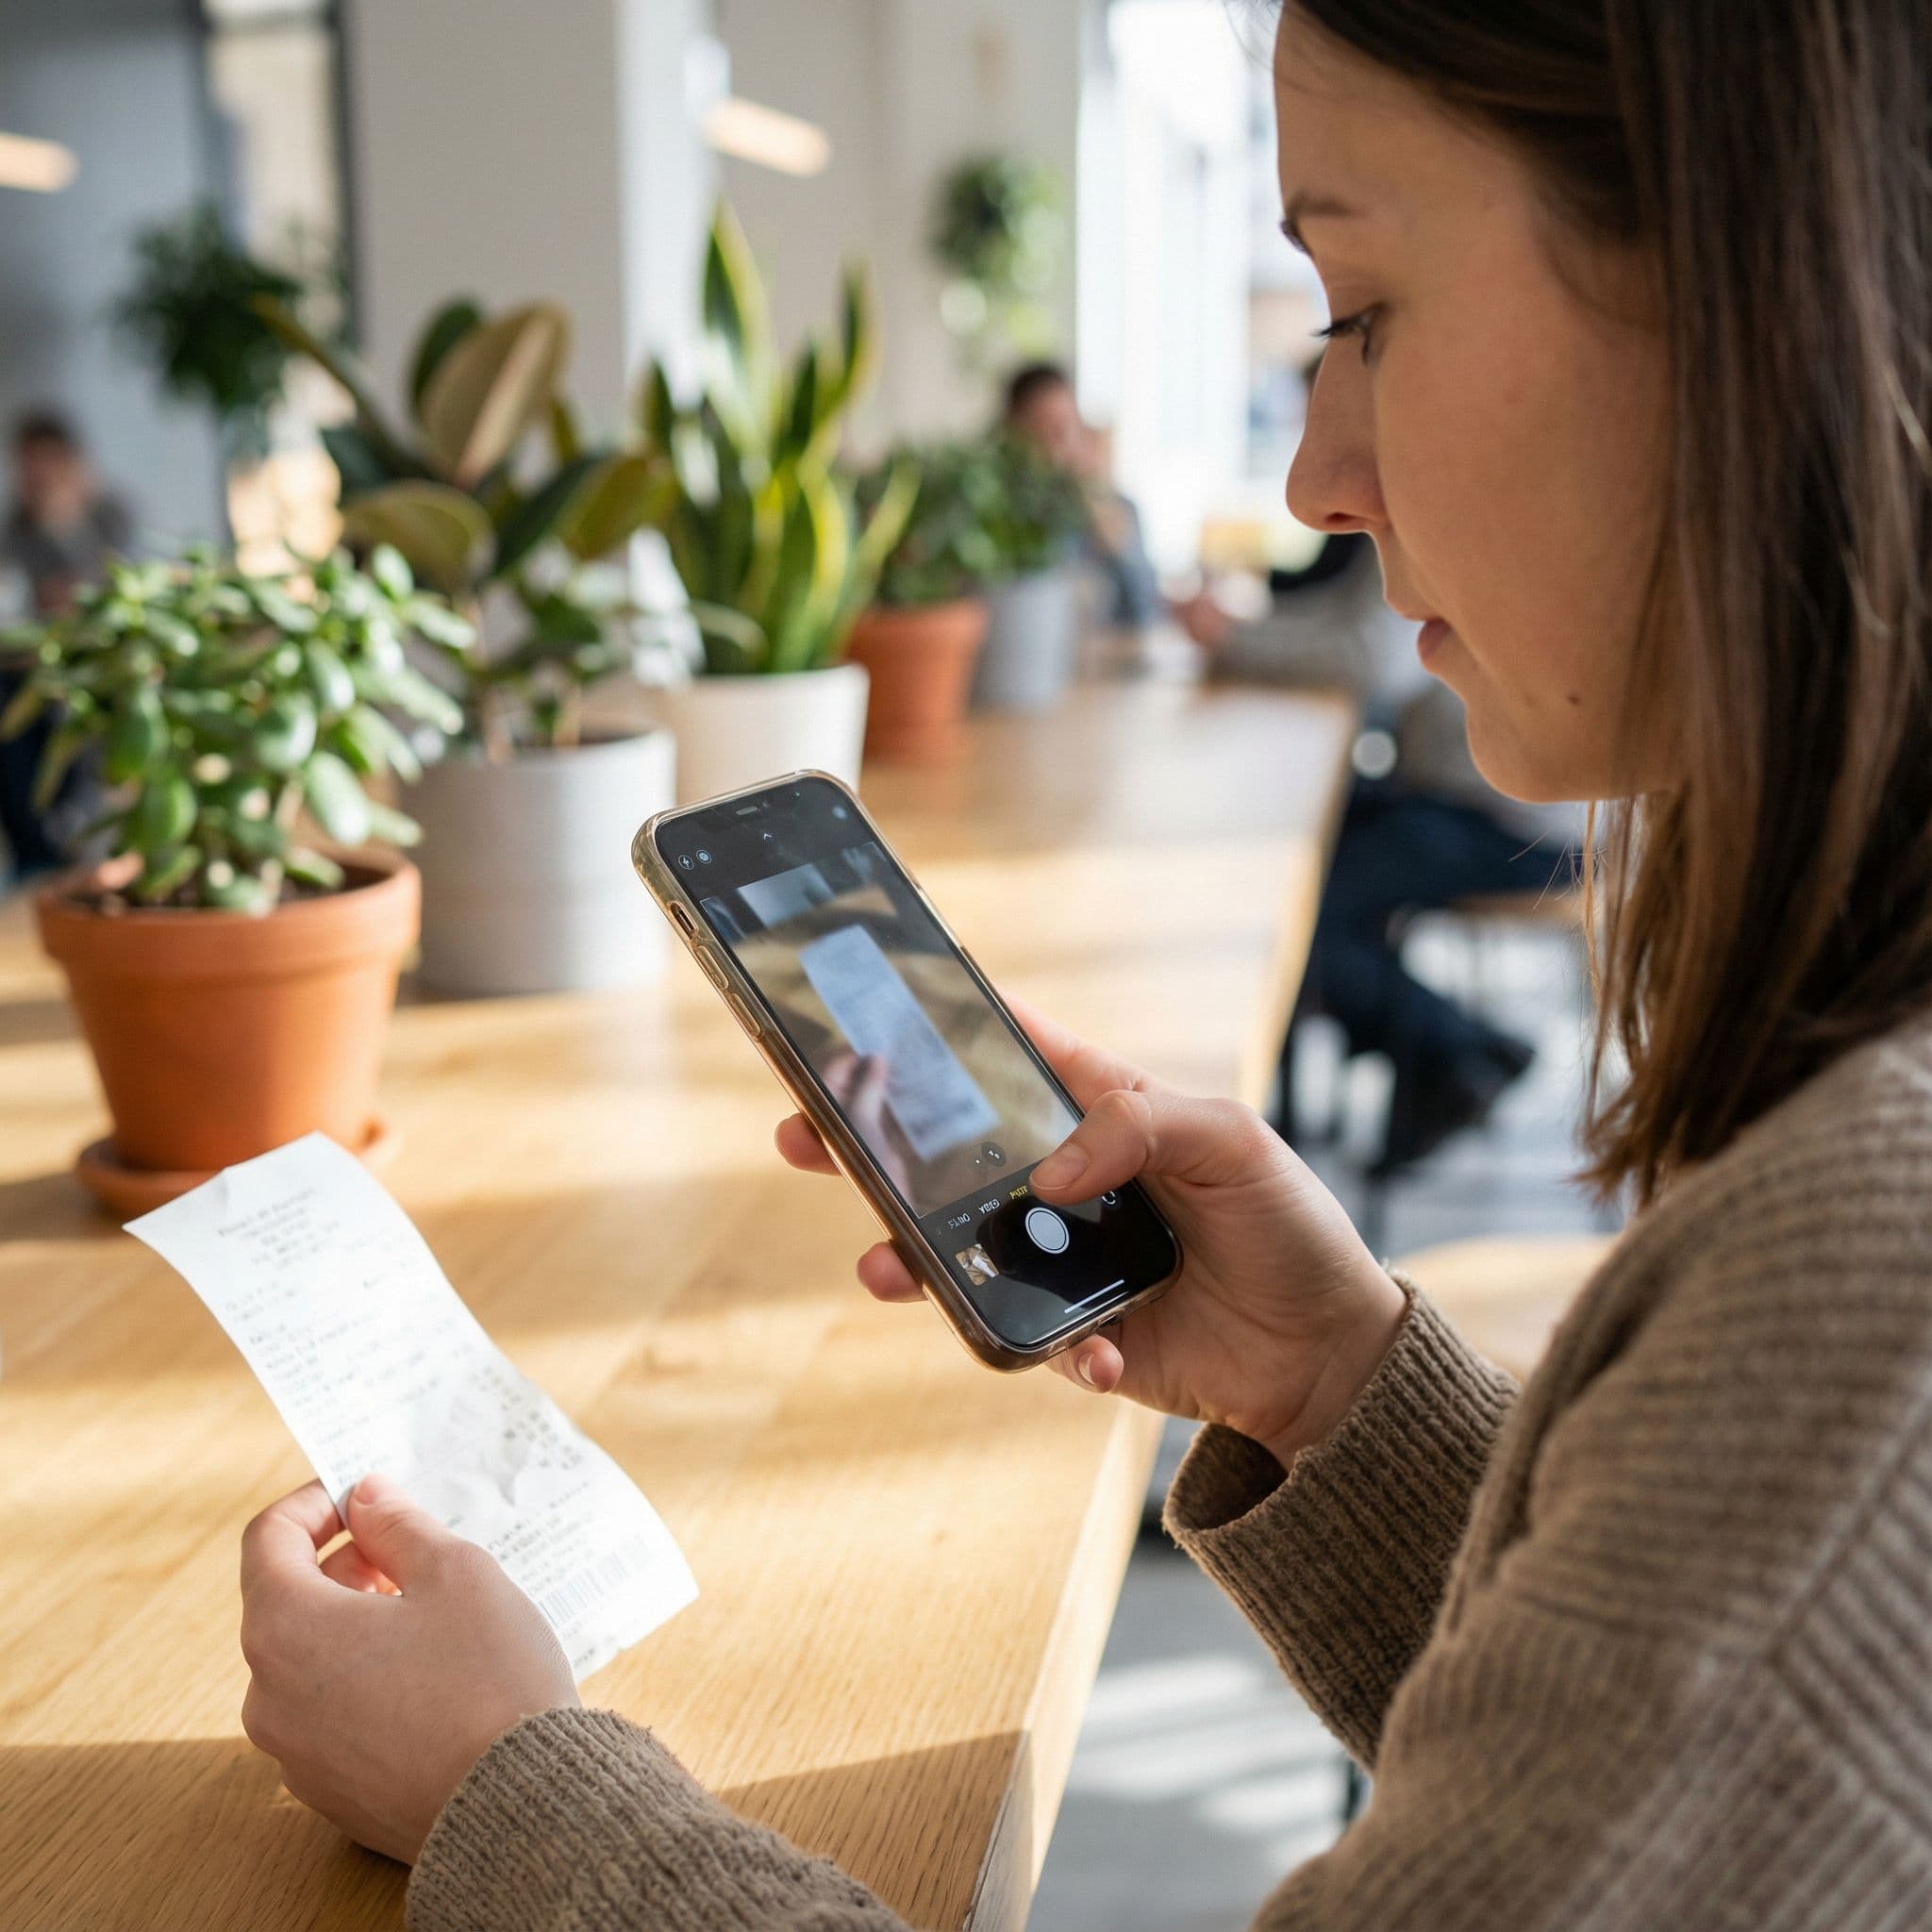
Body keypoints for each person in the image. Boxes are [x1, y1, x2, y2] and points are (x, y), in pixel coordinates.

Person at [236, 3, 1932, 1927]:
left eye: (1360, 307)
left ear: (1744, 284)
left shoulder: (1865, 1278)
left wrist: (505, 1788)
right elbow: (1704, 1760)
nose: (1315, 475)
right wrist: (1347, 1391)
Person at [1213, 519, 1581, 1170]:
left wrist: (1231, 638)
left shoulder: (1439, 507)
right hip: (1468, 792)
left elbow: (1371, 659)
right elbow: (1343, 622)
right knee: (1294, 863)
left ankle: (1457, 1051)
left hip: (1523, 824)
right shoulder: (1413, 500)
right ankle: (1451, 1052)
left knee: (1298, 910)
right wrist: (1237, 632)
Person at [1004, 359, 1231, 650]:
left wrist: (1118, 543)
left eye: (1068, 428)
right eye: (1047, 430)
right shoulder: (1006, 523)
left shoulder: (1116, 508)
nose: (1060, 446)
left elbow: (1145, 612)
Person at [0, 411, 130, 878]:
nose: (36, 480)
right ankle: (37, 852)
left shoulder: (110, 516)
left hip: (109, 662)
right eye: (26, 469)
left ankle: (87, 834)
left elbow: (125, 588)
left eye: (44, 465)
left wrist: (66, 529)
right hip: (37, 669)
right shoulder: (14, 531)